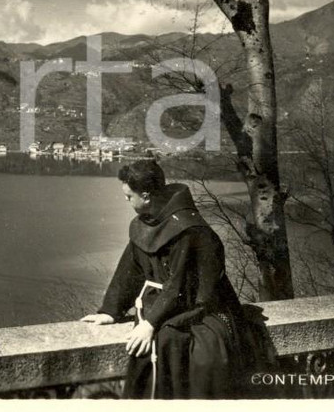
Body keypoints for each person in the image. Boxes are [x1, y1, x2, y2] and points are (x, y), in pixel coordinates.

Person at [80, 159, 261, 399]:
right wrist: (110, 311)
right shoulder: (147, 223)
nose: (126, 200)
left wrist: (150, 323)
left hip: (199, 308)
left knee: (170, 342)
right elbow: (130, 270)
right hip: (172, 304)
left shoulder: (187, 230)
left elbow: (180, 284)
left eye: (128, 195)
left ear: (145, 196)